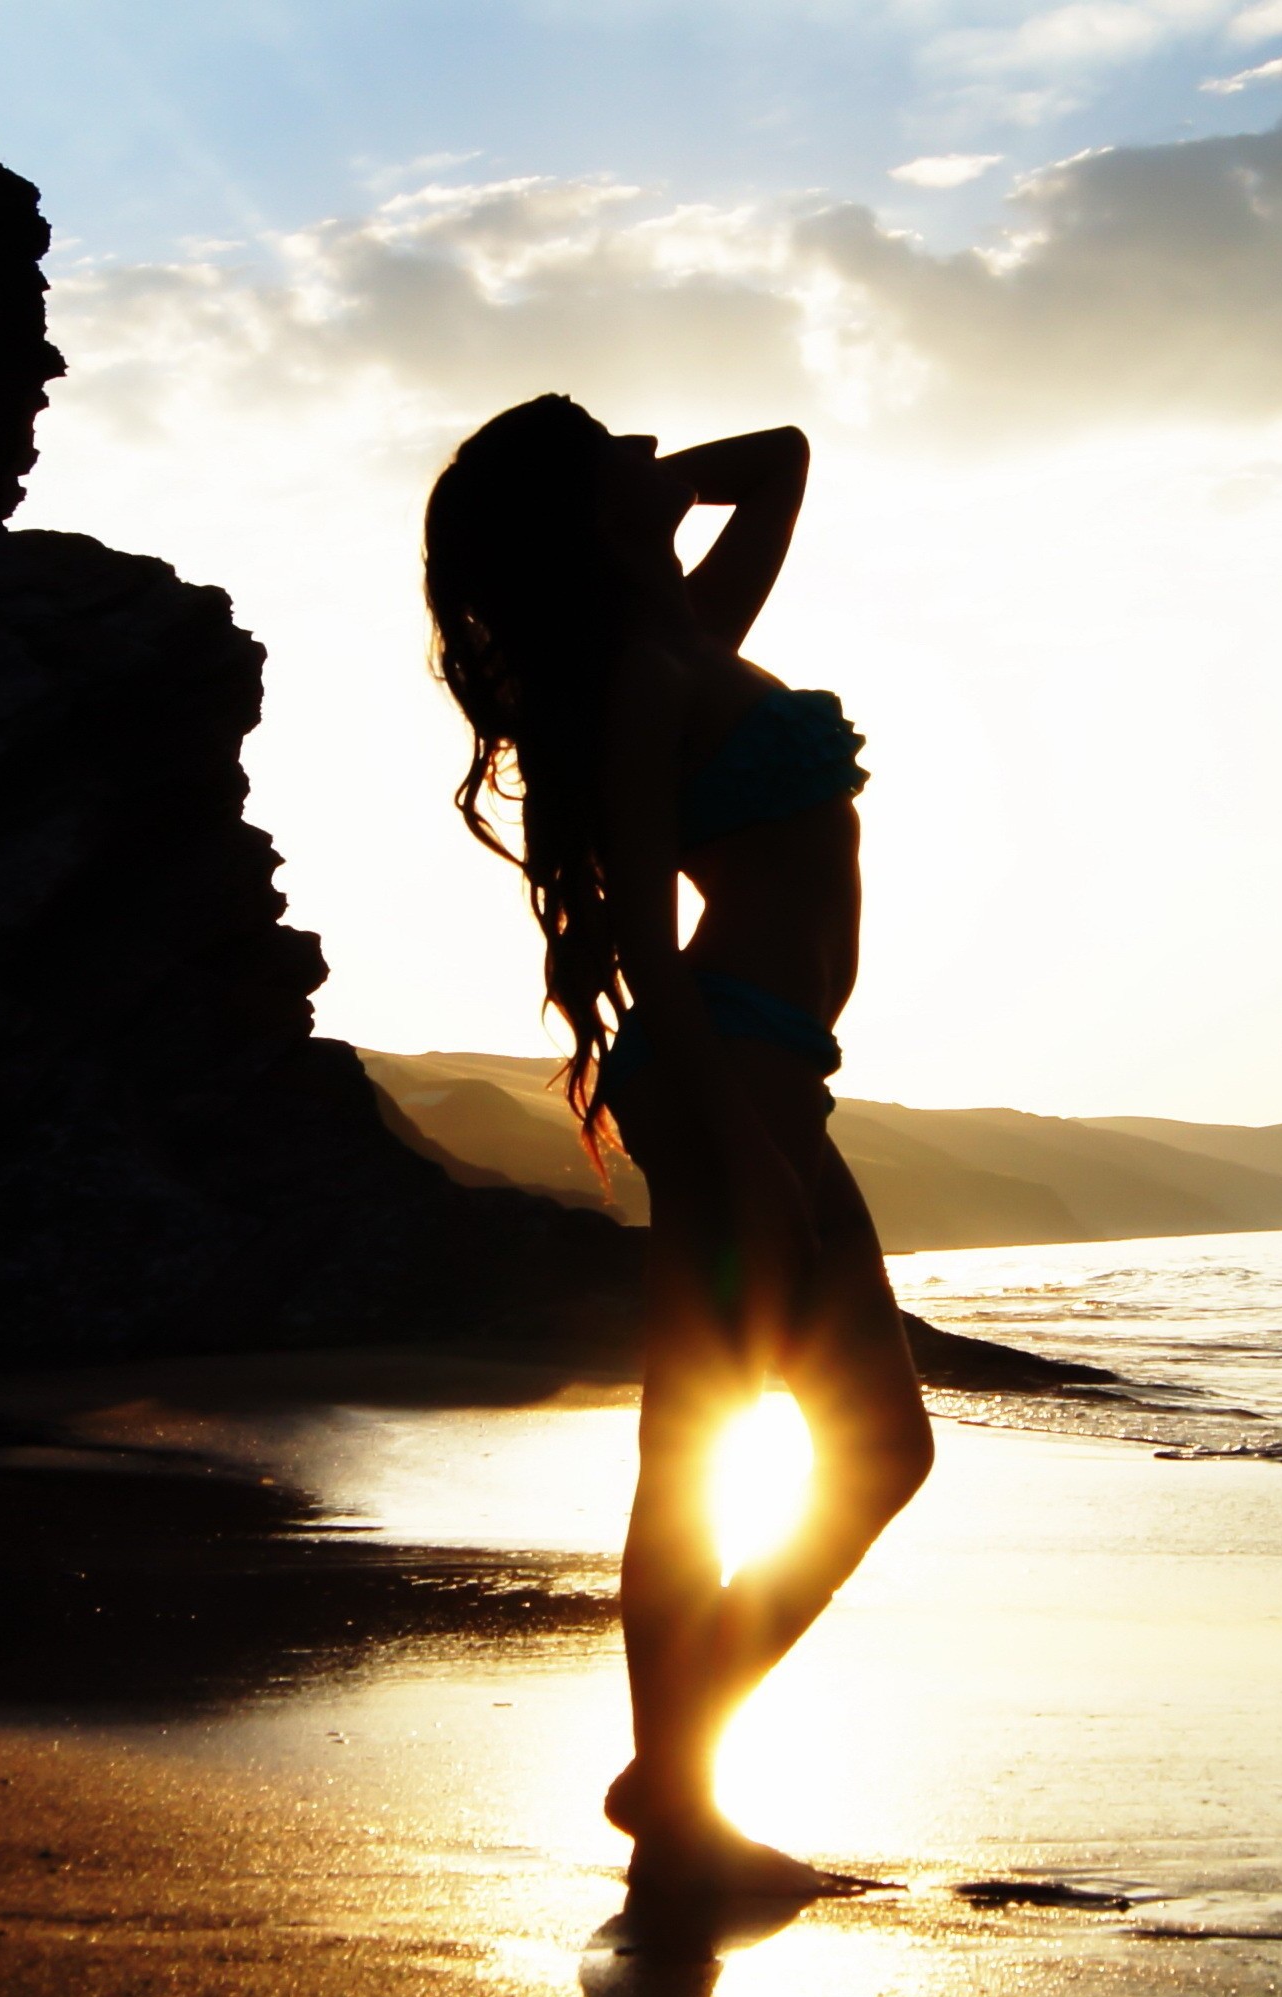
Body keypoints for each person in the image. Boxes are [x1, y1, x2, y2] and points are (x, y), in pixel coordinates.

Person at [425, 395, 937, 1902]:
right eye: (616, 452)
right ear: (585, 521)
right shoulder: (643, 678)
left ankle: (675, 1778)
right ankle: (680, 1798)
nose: (652, 449)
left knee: (849, 1448)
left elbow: (780, 457)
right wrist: (746, 1145)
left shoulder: (687, 632)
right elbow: (646, 940)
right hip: (730, 1074)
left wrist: (627, 494)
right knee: (736, 1446)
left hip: (771, 1073)